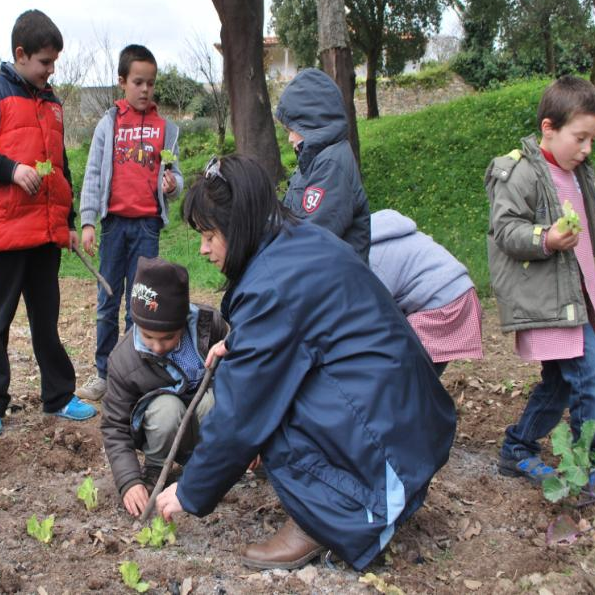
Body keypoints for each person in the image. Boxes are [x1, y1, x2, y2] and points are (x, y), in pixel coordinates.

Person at [155, 154, 456, 571]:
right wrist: (240, 341)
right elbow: (308, 322)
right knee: (257, 380)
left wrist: (189, 491)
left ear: (238, 225)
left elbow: (242, 413)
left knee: (263, 405)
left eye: (210, 235)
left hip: (387, 452)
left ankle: (330, 518)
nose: (204, 249)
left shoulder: (273, 283)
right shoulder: (295, 242)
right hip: (407, 425)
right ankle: (346, 497)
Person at [486, 75, 595, 504]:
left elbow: (582, 233)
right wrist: (545, 239)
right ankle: (590, 469)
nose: (587, 149)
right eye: (580, 138)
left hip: (576, 299)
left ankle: (517, 448)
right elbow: (506, 229)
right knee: (594, 379)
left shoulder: (577, 172)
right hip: (548, 301)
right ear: (549, 127)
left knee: (560, 384)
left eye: (593, 140)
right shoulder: (521, 171)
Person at [0, 9, 96, 437]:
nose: (50, 70)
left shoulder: (52, 102)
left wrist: (68, 222)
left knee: (47, 320)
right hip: (7, 233)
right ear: (20, 54)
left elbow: (61, 168)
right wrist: (12, 169)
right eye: (44, 62)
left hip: (46, 234)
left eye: (54, 62)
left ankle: (57, 396)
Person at [76, 45, 183, 401]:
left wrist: (172, 186)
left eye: (151, 83)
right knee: (108, 299)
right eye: (138, 82)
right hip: (114, 226)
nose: (145, 90)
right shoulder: (109, 123)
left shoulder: (165, 130)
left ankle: (132, 373)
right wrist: (88, 221)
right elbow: (93, 173)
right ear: (122, 82)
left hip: (147, 227)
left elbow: (175, 179)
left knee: (139, 304)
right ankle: (104, 372)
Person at [101, 256, 227, 517]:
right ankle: (158, 469)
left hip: (208, 431)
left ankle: (212, 465)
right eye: (148, 337)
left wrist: (249, 441)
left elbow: (244, 380)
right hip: (161, 432)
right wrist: (129, 481)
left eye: (168, 338)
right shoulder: (124, 360)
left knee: (213, 400)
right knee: (165, 407)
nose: (157, 347)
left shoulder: (210, 327)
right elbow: (115, 426)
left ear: (184, 321)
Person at [369, 209, 483, 375]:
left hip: (442, 306)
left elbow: (374, 311)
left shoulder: (371, 256)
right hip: (462, 294)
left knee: (404, 378)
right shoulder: (395, 235)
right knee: (418, 378)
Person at [275, 68, 370, 263]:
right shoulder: (314, 161)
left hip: (335, 287)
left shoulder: (332, 163)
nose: (290, 138)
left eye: (293, 129)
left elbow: (312, 241)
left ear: (312, 122)